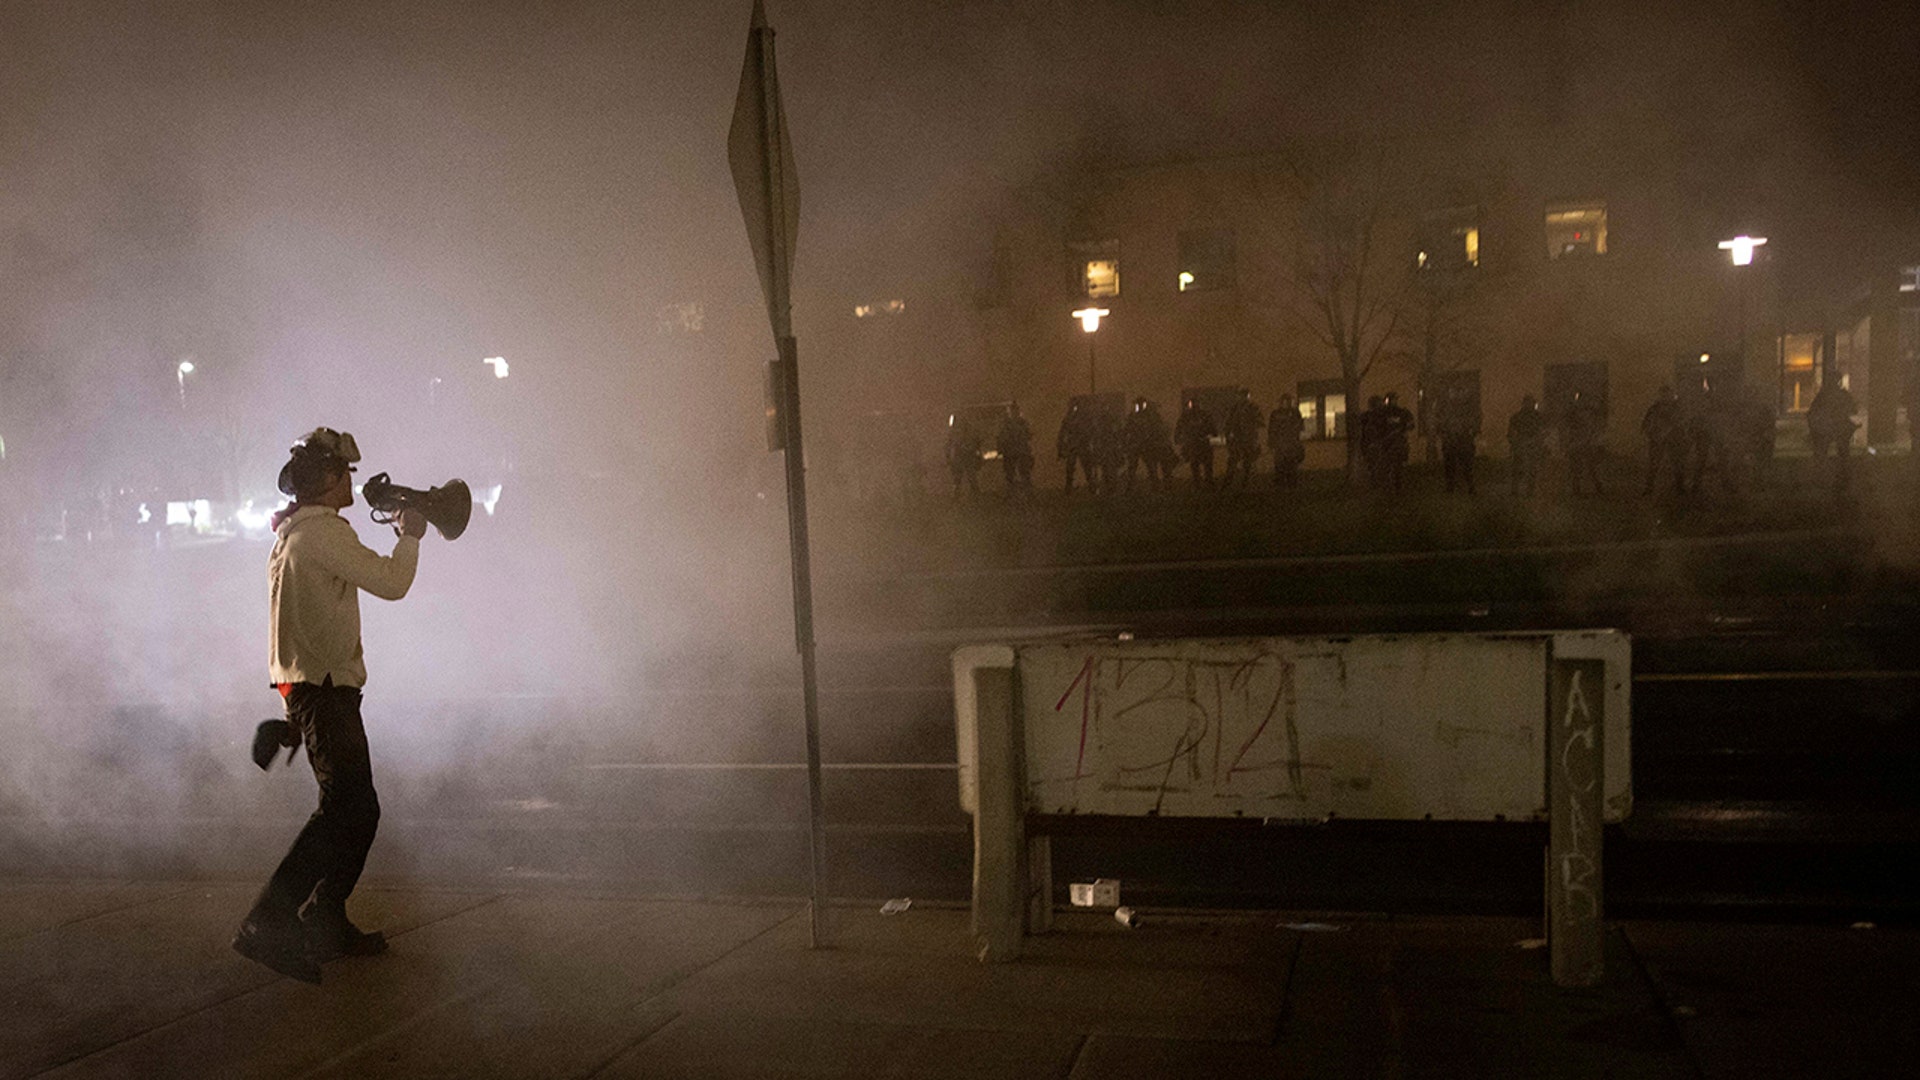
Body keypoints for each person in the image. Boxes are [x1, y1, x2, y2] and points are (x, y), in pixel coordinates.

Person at [233, 428, 427, 985]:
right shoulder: (321, 534)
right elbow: (392, 583)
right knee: (345, 809)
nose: (352, 481)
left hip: (316, 689)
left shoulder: (298, 533)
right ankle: (268, 921)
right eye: (344, 473)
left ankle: (324, 917)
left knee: (356, 809)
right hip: (324, 691)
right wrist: (410, 536)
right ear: (324, 481)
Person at [1806, 378, 1859, 494]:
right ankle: (1842, 477)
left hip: (1827, 428)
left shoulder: (1823, 396)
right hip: (1838, 427)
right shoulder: (1843, 395)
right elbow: (1854, 409)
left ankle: (1822, 477)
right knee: (1843, 452)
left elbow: (1813, 411)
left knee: (1822, 452)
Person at [1640, 385, 1685, 497]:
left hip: (1671, 439)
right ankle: (1649, 488)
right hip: (1658, 439)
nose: (1665, 397)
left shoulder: (1675, 408)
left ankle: (1679, 487)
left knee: (1676, 463)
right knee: (1655, 464)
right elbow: (1646, 423)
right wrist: (1652, 433)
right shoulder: (1655, 408)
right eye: (1664, 395)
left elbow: (1680, 422)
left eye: (1667, 394)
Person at [1435, 384, 1480, 494]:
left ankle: (1470, 487)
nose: (1455, 395)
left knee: (1467, 466)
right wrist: (1444, 434)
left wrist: (1471, 432)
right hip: (1451, 441)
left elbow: (1476, 421)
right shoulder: (1444, 407)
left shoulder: (1468, 407)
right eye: (1453, 392)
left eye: (1457, 392)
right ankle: (1450, 487)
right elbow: (1439, 422)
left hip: (1464, 440)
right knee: (1450, 466)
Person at [1123, 397, 1172, 492]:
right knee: (1132, 467)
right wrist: (1126, 442)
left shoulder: (1152, 416)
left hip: (1147, 445)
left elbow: (1158, 429)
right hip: (1135, 444)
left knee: (1151, 466)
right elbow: (1127, 429)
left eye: (1141, 403)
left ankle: (1155, 485)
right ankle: (1131, 486)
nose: (1140, 406)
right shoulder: (1133, 416)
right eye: (1138, 404)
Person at [1562, 389, 1605, 495]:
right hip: (1578, 442)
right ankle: (1577, 488)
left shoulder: (1590, 411)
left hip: (1587, 442)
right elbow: (1566, 428)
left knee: (1591, 466)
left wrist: (1595, 441)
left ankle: (1597, 486)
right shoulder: (1572, 413)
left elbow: (1596, 426)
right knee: (1577, 467)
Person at [1223, 389, 1263, 490]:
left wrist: (1251, 426)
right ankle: (1228, 482)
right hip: (1237, 439)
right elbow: (1228, 424)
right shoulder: (1234, 409)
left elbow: (1260, 422)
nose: (1243, 398)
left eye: (1244, 396)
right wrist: (1228, 436)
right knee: (1233, 460)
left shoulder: (1252, 408)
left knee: (1247, 461)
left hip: (1249, 439)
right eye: (1241, 396)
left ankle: (1245, 482)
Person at [1507, 395, 1547, 496]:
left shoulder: (1537, 417)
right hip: (1521, 444)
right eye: (1528, 403)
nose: (1530, 405)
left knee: (1531, 469)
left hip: (1532, 445)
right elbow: (1511, 432)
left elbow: (1543, 431)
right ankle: (1515, 490)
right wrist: (1514, 442)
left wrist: (1539, 441)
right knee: (1518, 468)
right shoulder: (1517, 417)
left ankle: (1529, 490)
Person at [1174, 398, 1217, 490]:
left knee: (1201, 464)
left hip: (1199, 442)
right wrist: (1177, 438)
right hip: (1196, 443)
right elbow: (1179, 428)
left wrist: (1177, 438)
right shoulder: (1189, 416)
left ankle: (1203, 483)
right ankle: (1201, 483)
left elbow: (1212, 428)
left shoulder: (1201, 415)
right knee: (1199, 464)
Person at [1376, 391, 1415, 492]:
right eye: (1391, 399)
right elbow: (1377, 427)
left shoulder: (1402, 412)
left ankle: (1397, 486)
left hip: (1398, 442)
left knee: (1398, 465)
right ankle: (1388, 486)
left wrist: (1405, 429)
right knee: (1386, 465)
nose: (1393, 401)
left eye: (1394, 399)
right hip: (1387, 443)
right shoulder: (1382, 413)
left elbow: (1411, 424)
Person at [1056, 401, 1096, 494]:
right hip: (1073, 446)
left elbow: (1091, 430)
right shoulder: (1068, 419)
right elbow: (1062, 433)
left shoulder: (1085, 419)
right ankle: (1069, 487)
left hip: (1082, 445)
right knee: (1070, 467)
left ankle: (1091, 486)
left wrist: (1089, 440)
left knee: (1087, 467)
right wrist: (1061, 447)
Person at [1268, 394, 1306, 490]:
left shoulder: (1294, 413)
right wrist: (1272, 443)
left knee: (1290, 465)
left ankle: (1290, 483)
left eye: (1287, 401)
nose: (1285, 404)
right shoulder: (1276, 414)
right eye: (1284, 401)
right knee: (1281, 465)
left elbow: (1300, 427)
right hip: (1281, 445)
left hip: (1290, 444)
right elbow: (1271, 429)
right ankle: (1282, 484)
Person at [996, 402, 1034, 493]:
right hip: (1011, 451)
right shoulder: (1007, 424)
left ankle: (1027, 491)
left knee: (1024, 473)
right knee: (1010, 473)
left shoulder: (1022, 423)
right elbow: (1001, 437)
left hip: (1020, 450)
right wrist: (1001, 448)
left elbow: (1028, 435)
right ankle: (1011, 491)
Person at [944, 415, 983, 497]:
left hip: (963, 456)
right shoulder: (958, 432)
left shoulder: (955, 432)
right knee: (964, 476)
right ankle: (970, 493)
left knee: (965, 476)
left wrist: (948, 457)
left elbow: (948, 445)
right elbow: (977, 442)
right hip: (962, 456)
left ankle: (967, 493)